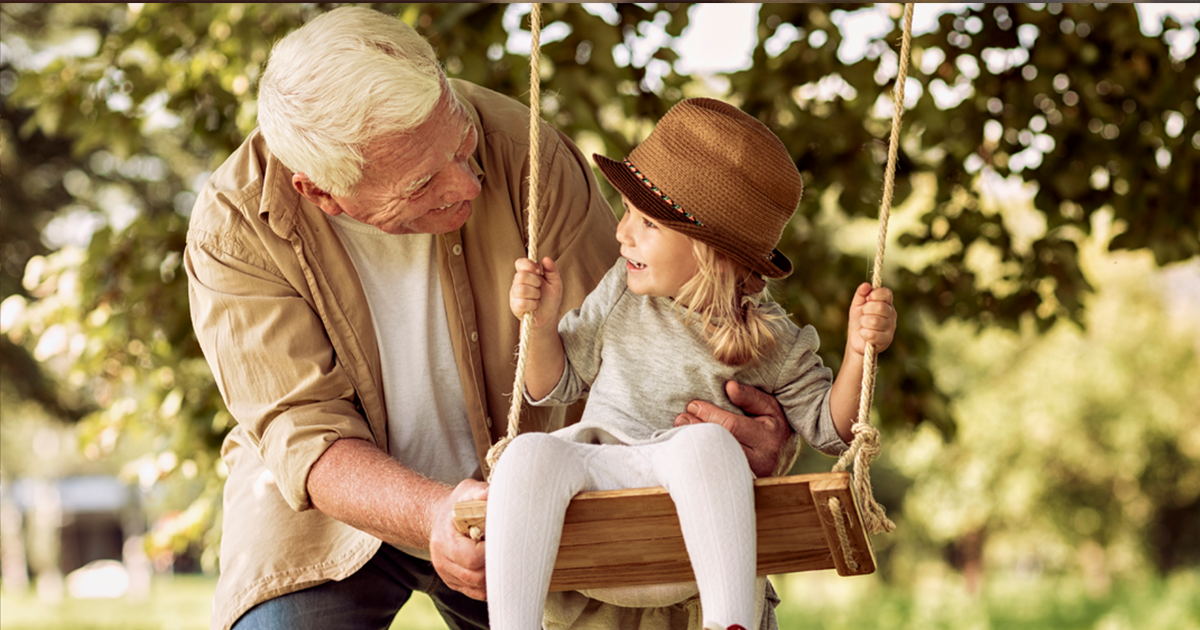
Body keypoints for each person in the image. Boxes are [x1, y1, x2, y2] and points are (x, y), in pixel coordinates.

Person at [185, 7, 796, 630]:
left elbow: (640, 341)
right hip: (336, 505)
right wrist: (432, 515)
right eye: (423, 181)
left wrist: (736, 434)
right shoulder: (233, 229)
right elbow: (303, 430)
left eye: (460, 142)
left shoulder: (525, 152)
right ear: (320, 192)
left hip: (532, 490)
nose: (468, 183)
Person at [488, 98, 897, 630]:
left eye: (647, 223)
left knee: (706, 444)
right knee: (526, 454)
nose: (622, 233)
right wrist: (540, 326)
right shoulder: (621, 292)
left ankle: (730, 624)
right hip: (604, 482)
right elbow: (553, 385)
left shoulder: (770, 338)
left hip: (694, 523)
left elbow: (832, 428)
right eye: (626, 214)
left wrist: (860, 351)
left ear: (710, 249)